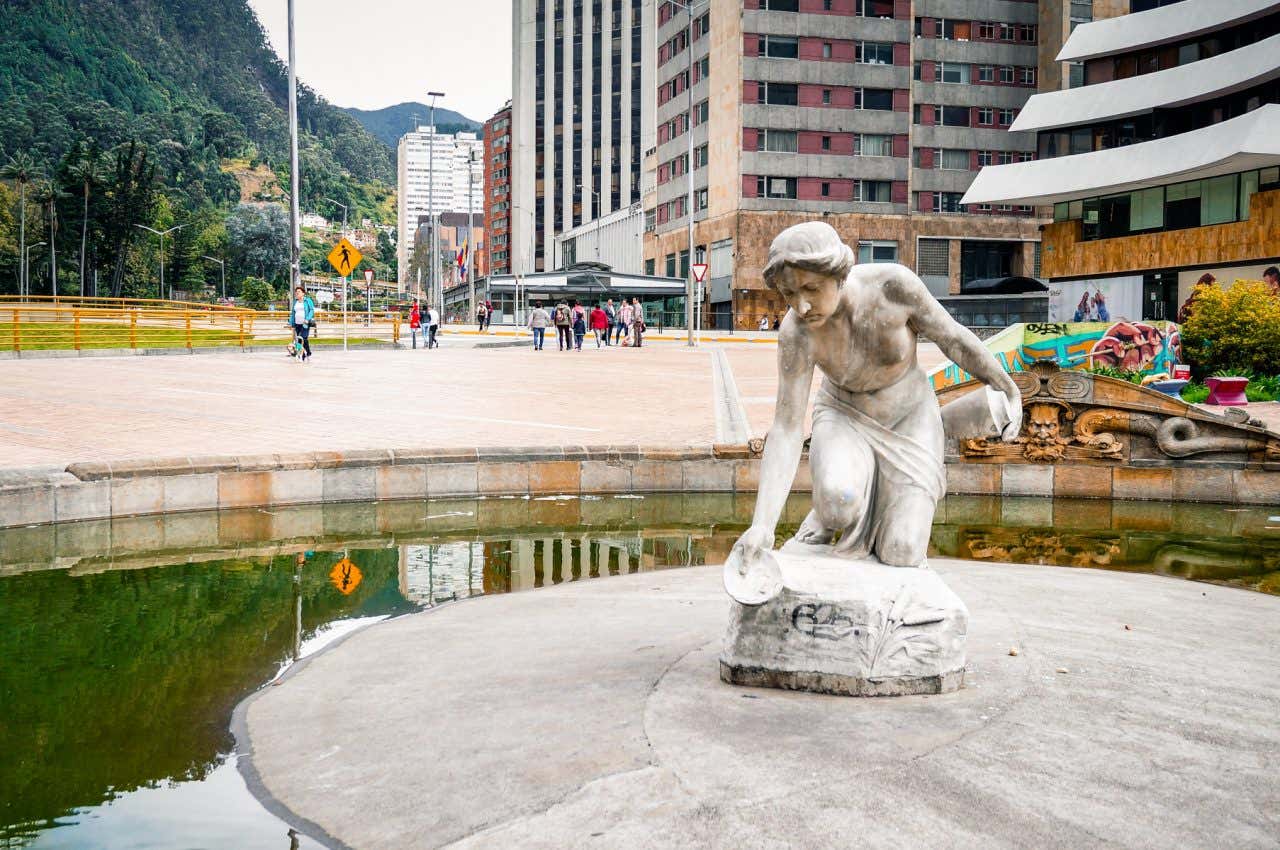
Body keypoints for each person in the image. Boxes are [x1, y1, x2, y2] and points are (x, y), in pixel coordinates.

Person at [731, 222, 1020, 572]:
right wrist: (762, 525)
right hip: (843, 414)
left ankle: (920, 450)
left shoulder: (893, 288)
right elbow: (787, 427)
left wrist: (1002, 382)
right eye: (789, 294)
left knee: (903, 551)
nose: (802, 306)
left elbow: (952, 338)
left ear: (839, 275)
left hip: (909, 416)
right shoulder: (797, 333)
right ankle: (827, 510)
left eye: (811, 288)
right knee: (839, 503)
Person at [289, 286, 314, 362]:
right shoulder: (295, 302)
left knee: (303, 337)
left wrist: (307, 319)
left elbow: (311, 310)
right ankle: (305, 354)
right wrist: (291, 323)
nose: (297, 293)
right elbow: (293, 313)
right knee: (301, 340)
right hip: (297, 323)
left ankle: (304, 354)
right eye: (296, 292)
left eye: (299, 292)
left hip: (305, 323)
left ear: (303, 293)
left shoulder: (307, 300)